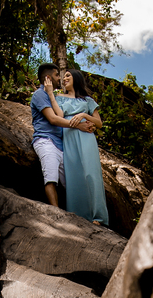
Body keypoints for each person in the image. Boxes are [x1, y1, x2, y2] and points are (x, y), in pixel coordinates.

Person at [46, 68, 108, 226]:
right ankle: (79, 216)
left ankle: (98, 217)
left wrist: (84, 115)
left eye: (68, 76)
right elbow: (59, 116)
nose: (64, 79)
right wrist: (51, 94)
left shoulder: (87, 100)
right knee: (74, 176)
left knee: (91, 174)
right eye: (63, 77)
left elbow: (99, 123)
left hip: (86, 138)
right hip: (69, 137)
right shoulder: (60, 98)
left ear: (76, 78)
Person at [29, 63, 95, 209]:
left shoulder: (55, 97)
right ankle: (57, 213)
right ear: (48, 77)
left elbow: (62, 114)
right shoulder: (39, 95)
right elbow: (53, 119)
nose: (59, 78)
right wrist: (78, 125)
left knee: (72, 182)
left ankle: (81, 214)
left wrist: (87, 122)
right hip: (46, 141)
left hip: (61, 144)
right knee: (51, 178)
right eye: (57, 75)